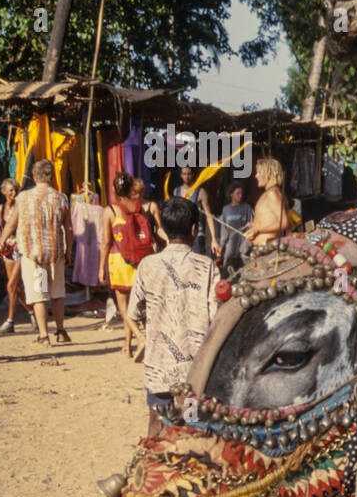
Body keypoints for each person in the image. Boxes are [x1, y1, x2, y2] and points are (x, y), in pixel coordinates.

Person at [128, 197, 220, 437]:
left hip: (159, 369)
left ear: (165, 231)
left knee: (156, 427)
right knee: (192, 429)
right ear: (193, 230)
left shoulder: (147, 265)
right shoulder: (207, 266)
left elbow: (133, 313)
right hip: (194, 373)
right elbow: (216, 316)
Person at [0, 160, 72, 344]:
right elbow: (68, 228)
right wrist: (68, 252)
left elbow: (12, 222)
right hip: (56, 252)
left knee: (38, 294)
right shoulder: (61, 198)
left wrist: (1, 242)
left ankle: (44, 335)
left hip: (32, 253)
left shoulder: (23, 198)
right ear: (51, 177)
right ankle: (61, 331)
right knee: (57, 293)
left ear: (35, 176)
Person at [99, 173, 158, 358]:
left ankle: (140, 337)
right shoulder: (140, 207)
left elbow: (106, 242)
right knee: (135, 304)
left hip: (119, 261)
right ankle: (127, 345)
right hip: (140, 260)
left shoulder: (110, 210)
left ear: (114, 190)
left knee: (123, 307)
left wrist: (101, 267)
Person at [0, 178, 25, 333]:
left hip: (19, 247)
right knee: (15, 288)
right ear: (3, 192)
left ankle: (10, 320)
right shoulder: (1, 209)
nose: (13, 193)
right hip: (7, 249)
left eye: (15, 190)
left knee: (11, 285)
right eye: (10, 190)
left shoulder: (21, 208)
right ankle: (32, 311)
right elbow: (1, 228)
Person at [174, 166, 220, 258]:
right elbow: (174, 214)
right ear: (181, 175)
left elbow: (209, 216)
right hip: (181, 234)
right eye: (184, 174)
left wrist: (214, 239)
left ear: (192, 175)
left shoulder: (200, 192)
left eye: (189, 174)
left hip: (196, 235)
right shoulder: (176, 191)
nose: (187, 177)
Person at [244, 156, 290, 246]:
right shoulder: (270, 193)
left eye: (259, 172)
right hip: (261, 248)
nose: (256, 176)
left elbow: (283, 222)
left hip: (267, 248)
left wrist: (258, 229)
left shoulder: (273, 194)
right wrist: (255, 226)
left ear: (269, 174)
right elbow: (271, 220)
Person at [216, 181, 253, 276]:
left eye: (241, 193)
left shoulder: (247, 208)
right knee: (228, 274)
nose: (240, 196)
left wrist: (245, 246)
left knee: (245, 275)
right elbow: (224, 231)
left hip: (243, 249)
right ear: (231, 194)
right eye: (237, 193)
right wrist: (221, 246)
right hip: (230, 249)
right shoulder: (226, 209)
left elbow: (252, 228)